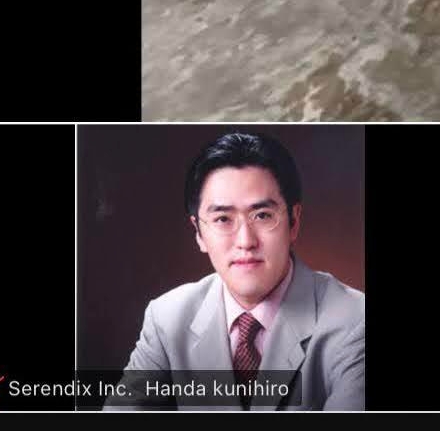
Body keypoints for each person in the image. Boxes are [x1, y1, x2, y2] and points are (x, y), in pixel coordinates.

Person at [112, 130, 365, 411]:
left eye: (263, 215)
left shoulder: (355, 321)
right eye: (223, 219)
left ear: (293, 222)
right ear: (198, 233)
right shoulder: (167, 319)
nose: (245, 241)